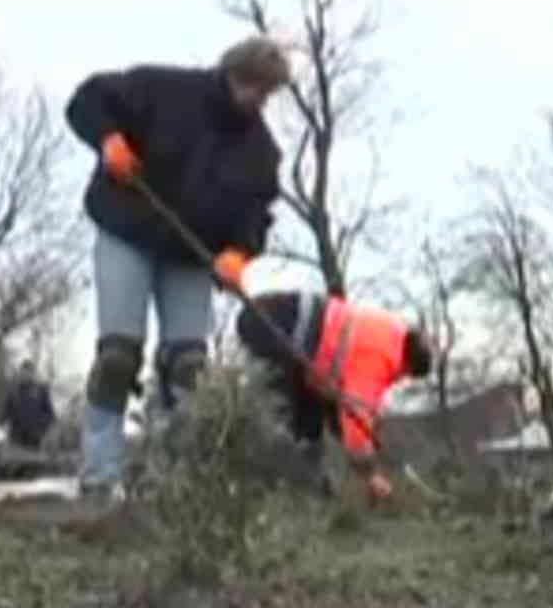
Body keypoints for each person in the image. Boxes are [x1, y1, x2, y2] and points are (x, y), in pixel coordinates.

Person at [64, 36, 291, 496]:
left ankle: (170, 475)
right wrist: (109, 139)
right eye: (252, 86)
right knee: (117, 357)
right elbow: (88, 99)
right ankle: (100, 475)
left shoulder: (260, 152)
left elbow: (255, 215)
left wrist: (238, 253)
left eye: (265, 92)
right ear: (231, 74)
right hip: (127, 229)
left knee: (188, 367)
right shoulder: (160, 89)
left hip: (190, 254)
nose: (256, 99)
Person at [231, 289, 434, 505]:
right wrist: (370, 474)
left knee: (309, 419)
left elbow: (343, 403)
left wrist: (366, 435)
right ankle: (268, 489)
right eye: (406, 376)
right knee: (278, 418)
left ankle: (306, 488)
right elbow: (355, 421)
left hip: (290, 314)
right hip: (284, 326)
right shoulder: (382, 360)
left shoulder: (391, 331)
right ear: (409, 367)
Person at [0, 359, 57, 451]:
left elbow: (50, 414)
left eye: (28, 372)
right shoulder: (13, 391)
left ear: (33, 373)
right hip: (16, 435)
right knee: (15, 461)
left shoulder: (40, 390)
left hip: (34, 437)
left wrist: (41, 426)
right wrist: (0, 424)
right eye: (23, 371)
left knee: (31, 461)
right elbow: (5, 412)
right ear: (20, 372)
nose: (25, 374)